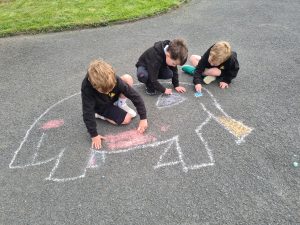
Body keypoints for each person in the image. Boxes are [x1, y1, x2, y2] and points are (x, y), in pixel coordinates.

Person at [81, 59, 148, 149]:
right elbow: (87, 113)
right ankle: (100, 115)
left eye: (111, 87)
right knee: (127, 119)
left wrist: (143, 118)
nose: (109, 91)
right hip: (101, 106)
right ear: (94, 86)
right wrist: (94, 135)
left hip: (112, 98)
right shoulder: (87, 88)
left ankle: (120, 104)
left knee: (127, 78)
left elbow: (134, 96)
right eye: (104, 90)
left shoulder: (112, 78)